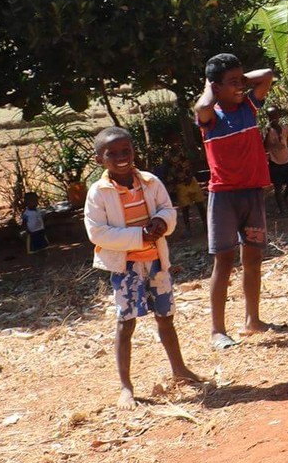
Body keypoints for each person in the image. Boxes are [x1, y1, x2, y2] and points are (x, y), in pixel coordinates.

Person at [84, 127, 204, 410]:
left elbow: (167, 208)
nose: (121, 157)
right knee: (126, 323)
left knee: (165, 316)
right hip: (126, 267)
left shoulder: (150, 181)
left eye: (126, 151)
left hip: (156, 263)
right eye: (112, 154)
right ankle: (126, 387)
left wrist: (162, 222)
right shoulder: (98, 193)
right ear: (99, 159)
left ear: (134, 152)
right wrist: (140, 236)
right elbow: (97, 233)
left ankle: (179, 369)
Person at [195, 53, 279, 349]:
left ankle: (252, 320)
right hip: (224, 198)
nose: (240, 87)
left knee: (253, 257)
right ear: (215, 87)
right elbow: (203, 105)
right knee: (224, 261)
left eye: (241, 80)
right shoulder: (210, 118)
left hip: (252, 192)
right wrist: (210, 87)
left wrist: (238, 82)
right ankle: (218, 330)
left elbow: (267, 73)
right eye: (231, 83)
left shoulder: (248, 107)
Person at [263, 107, 288, 213]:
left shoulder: (284, 128)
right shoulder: (267, 131)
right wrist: (266, 134)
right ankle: (282, 209)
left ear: (278, 116)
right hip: (275, 163)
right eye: (271, 116)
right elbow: (264, 147)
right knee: (278, 187)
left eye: (275, 115)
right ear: (268, 117)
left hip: (287, 160)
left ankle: (286, 198)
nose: (274, 118)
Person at [169, 148, 206, 234]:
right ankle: (188, 229)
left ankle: (206, 225)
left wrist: (190, 176)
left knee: (200, 204)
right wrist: (173, 182)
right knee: (185, 208)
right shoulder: (168, 156)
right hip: (180, 184)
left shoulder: (183, 152)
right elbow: (168, 170)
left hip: (191, 181)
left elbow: (192, 164)